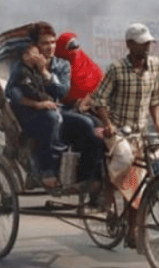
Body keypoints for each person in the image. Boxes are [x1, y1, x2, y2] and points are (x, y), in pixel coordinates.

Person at [89, 22, 159, 247]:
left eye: (148, 43)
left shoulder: (155, 66)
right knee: (124, 158)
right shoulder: (116, 68)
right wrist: (107, 123)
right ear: (129, 44)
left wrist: (158, 122)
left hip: (140, 132)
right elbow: (99, 100)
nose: (147, 47)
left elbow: (155, 98)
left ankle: (132, 232)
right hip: (118, 131)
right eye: (142, 43)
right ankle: (108, 191)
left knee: (139, 186)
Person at [5, 23, 71, 188]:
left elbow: (62, 91)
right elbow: (12, 93)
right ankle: (47, 170)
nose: (50, 47)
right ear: (36, 46)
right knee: (50, 119)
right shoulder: (22, 65)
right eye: (45, 43)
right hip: (30, 114)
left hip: (56, 109)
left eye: (53, 42)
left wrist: (44, 72)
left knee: (87, 124)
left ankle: (91, 181)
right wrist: (37, 104)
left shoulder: (62, 65)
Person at [54, 32, 106, 196]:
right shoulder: (57, 66)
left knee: (104, 130)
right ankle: (87, 178)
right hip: (62, 109)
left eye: (76, 45)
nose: (75, 50)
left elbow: (100, 87)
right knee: (90, 126)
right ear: (62, 50)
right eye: (70, 47)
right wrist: (76, 103)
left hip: (88, 107)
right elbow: (55, 93)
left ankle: (99, 181)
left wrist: (88, 100)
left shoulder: (86, 63)